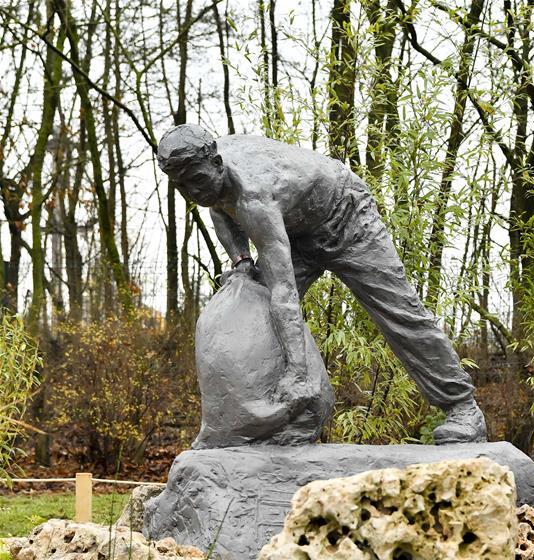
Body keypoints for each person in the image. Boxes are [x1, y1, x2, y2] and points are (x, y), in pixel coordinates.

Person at [157, 124, 487, 443]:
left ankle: (462, 407)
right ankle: (285, 420)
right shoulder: (207, 173)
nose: (193, 193)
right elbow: (217, 206)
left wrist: (298, 372)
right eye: (182, 186)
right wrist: (241, 262)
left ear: (217, 163)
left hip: (347, 220)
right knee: (254, 309)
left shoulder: (253, 193)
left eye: (197, 181)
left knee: (401, 312)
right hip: (296, 230)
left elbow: (284, 292)